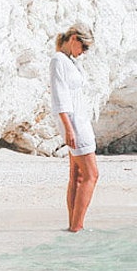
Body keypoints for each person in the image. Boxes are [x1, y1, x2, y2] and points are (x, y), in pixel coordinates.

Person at [49, 23, 98, 232]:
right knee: (91, 175)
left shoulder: (69, 61)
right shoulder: (58, 60)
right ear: (74, 40)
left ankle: (73, 227)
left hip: (79, 120)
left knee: (77, 176)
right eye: (83, 47)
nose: (84, 52)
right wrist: (68, 128)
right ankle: (78, 227)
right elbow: (60, 95)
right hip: (74, 122)